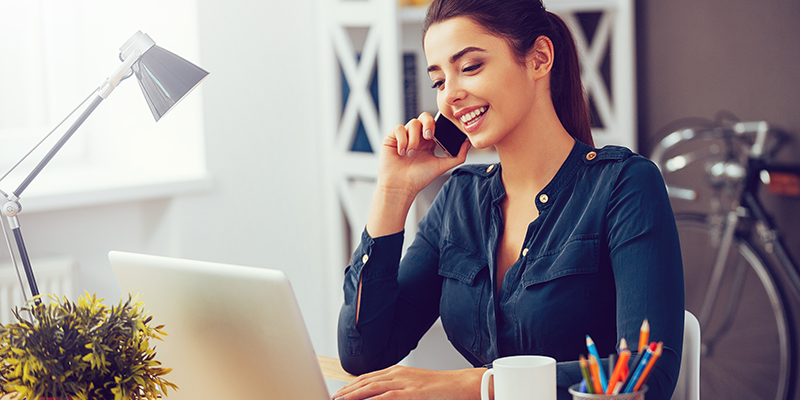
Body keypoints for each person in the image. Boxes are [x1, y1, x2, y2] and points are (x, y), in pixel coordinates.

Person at [333, 0, 684, 399]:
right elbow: (364, 353)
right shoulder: (459, 200)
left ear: (538, 59)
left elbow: (646, 374)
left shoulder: (625, 185)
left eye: (469, 67)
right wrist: (392, 193)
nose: (450, 96)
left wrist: (473, 385)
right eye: (439, 81)